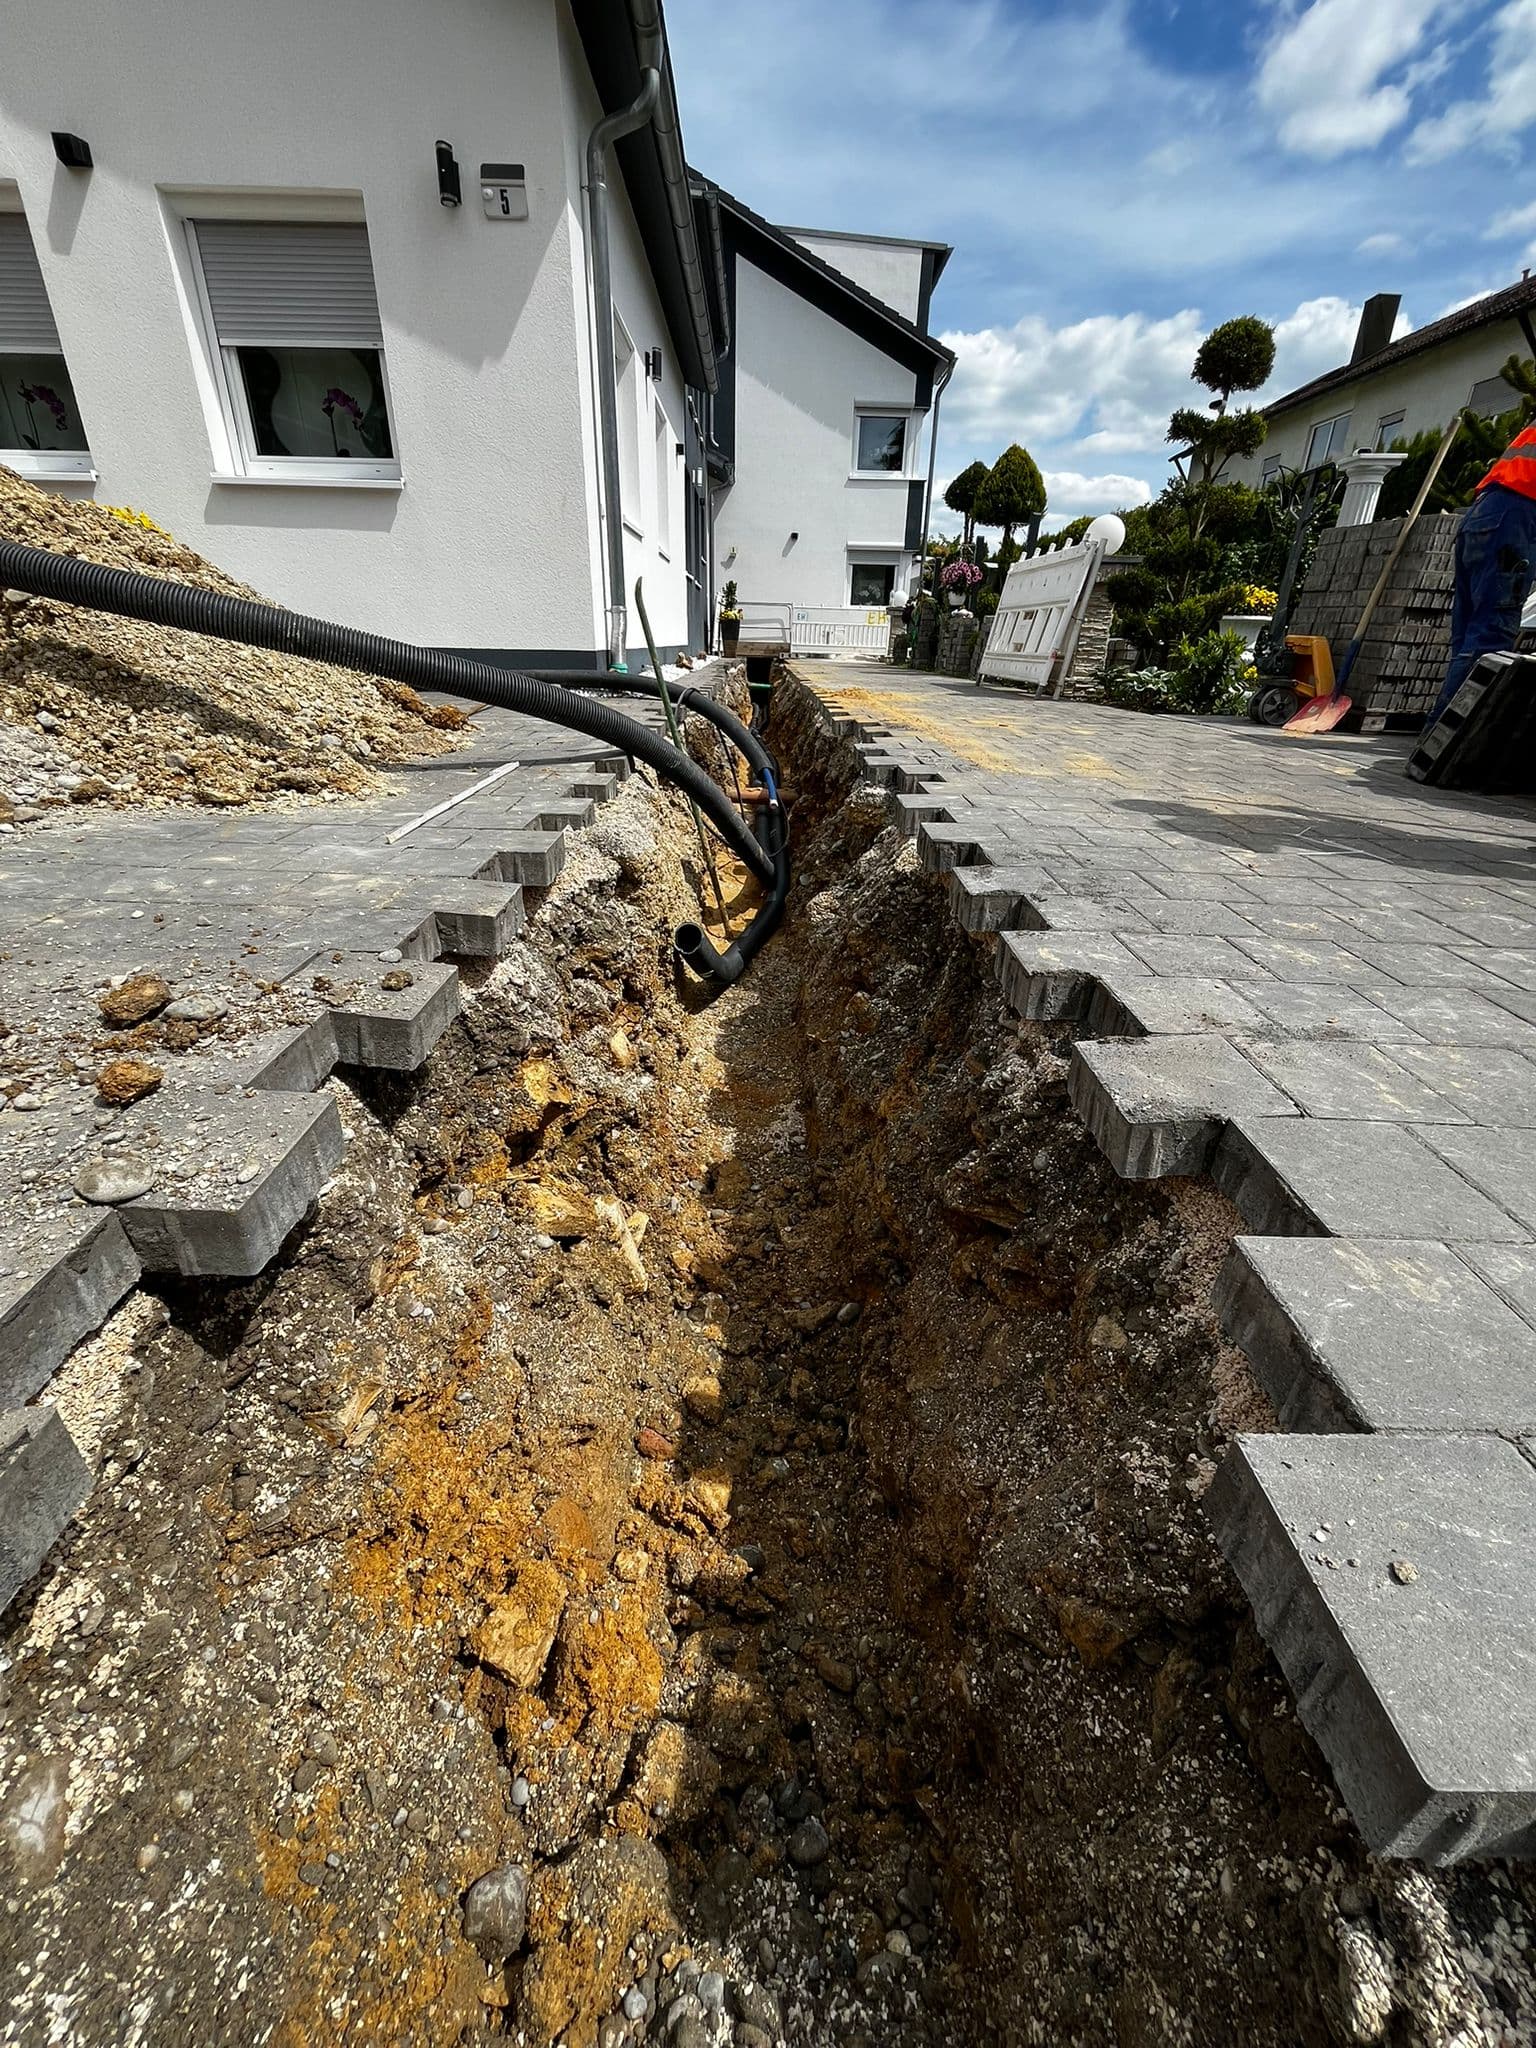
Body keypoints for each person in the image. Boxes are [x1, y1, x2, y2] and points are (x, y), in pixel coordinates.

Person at [1426, 419, 1536, 724]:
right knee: (1489, 639)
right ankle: (1451, 737)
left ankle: (1437, 732)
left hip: (1485, 513)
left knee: (1468, 638)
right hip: (1515, 519)